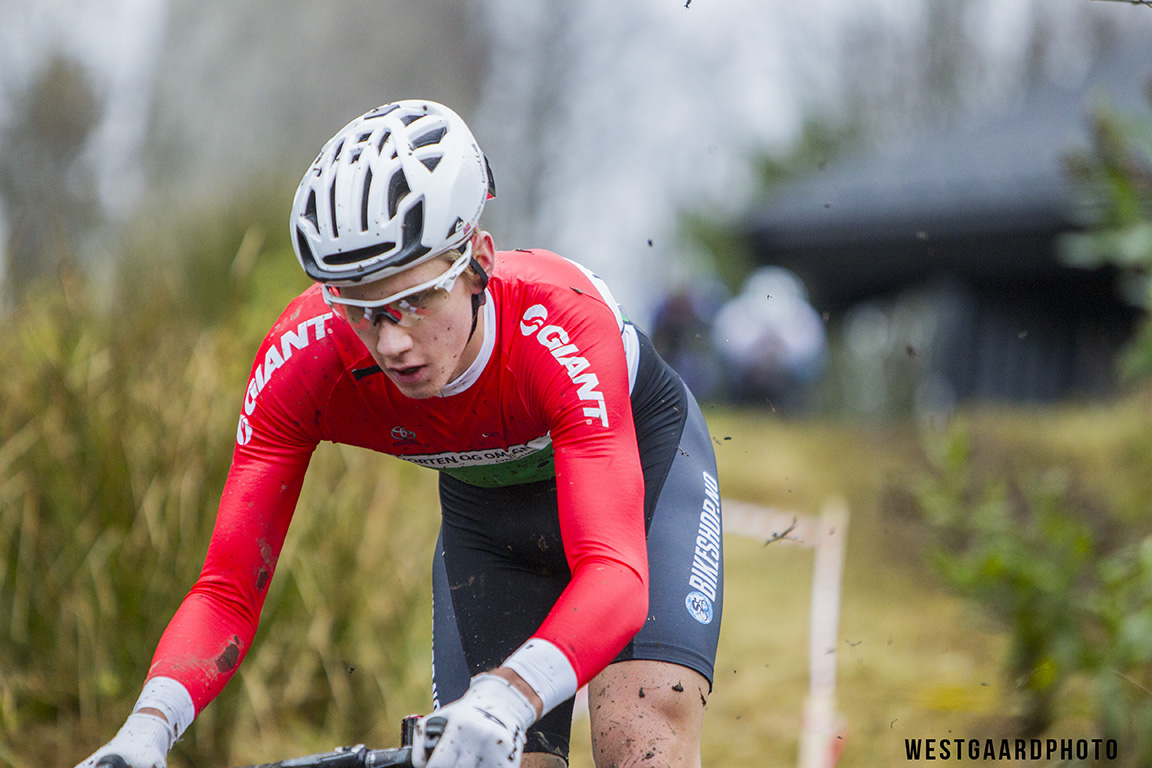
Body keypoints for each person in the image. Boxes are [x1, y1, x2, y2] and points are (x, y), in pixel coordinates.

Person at [75, 99, 724, 768]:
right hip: (487, 523)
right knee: (488, 758)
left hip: (643, 481)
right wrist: (144, 732)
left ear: (478, 262)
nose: (390, 343)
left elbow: (615, 573)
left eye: (413, 300)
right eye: (360, 309)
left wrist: (510, 694)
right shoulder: (304, 360)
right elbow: (225, 591)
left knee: (642, 740)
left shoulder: (559, 325)